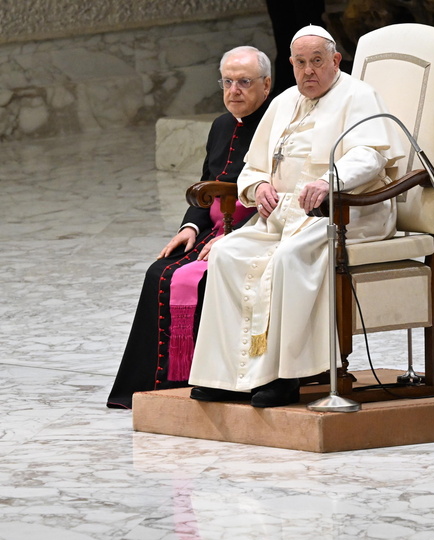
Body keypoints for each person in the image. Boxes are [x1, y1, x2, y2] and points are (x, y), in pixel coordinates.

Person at [187, 25, 405, 407]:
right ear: (291, 65)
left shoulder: (358, 95)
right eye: (301, 63)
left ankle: (288, 377)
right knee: (226, 253)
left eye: (317, 61)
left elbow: (370, 155)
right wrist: (258, 189)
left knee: (290, 259)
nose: (309, 71)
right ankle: (226, 376)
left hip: (344, 213)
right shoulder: (284, 101)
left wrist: (329, 181)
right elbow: (253, 167)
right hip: (282, 216)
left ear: (335, 60)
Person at [106, 46, 272, 409]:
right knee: (159, 272)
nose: (234, 91)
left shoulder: (276, 127)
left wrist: (232, 237)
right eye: (227, 82)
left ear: (266, 84)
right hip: (212, 232)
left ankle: (207, 382)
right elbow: (206, 185)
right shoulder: (221, 125)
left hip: (253, 233)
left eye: (244, 82)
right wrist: (190, 228)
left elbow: (276, 197)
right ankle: (153, 386)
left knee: (206, 278)